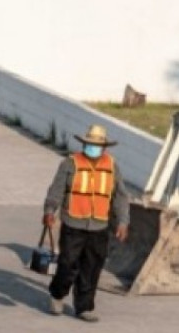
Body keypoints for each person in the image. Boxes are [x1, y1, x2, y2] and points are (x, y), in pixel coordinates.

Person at [43, 124, 129, 322]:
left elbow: (120, 197)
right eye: (90, 144)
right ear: (84, 144)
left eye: (97, 145)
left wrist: (123, 222)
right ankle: (57, 295)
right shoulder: (69, 163)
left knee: (92, 268)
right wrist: (49, 211)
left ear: (104, 147)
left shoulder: (112, 166)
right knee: (67, 264)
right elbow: (56, 190)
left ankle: (84, 307)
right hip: (73, 224)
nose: (93, 147)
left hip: (99, 226)